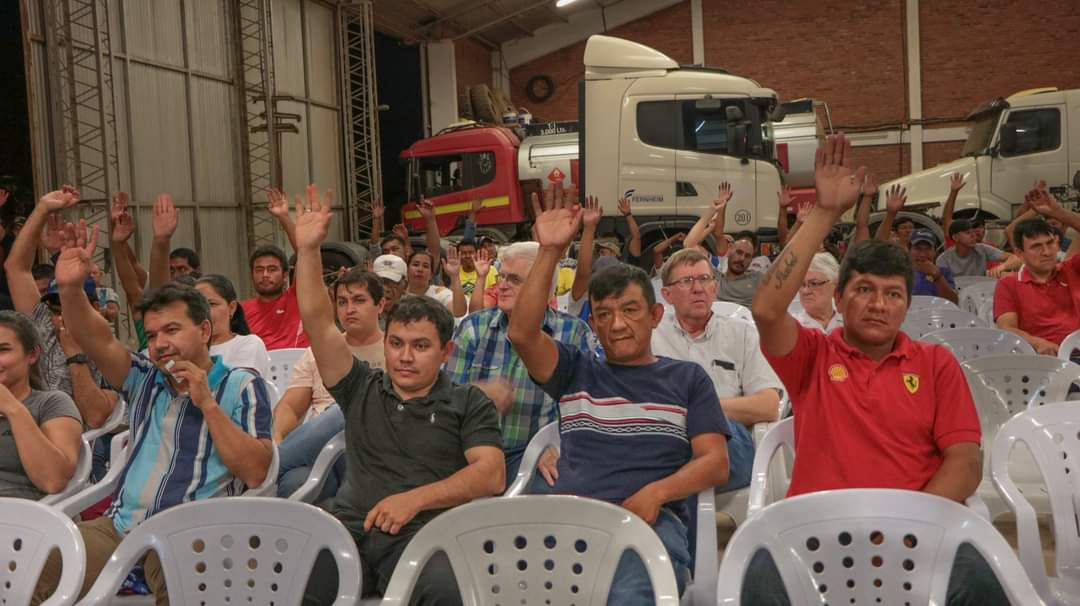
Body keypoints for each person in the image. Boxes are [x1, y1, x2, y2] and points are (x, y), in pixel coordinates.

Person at [745, 134, 998, 606]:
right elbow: (765, 310)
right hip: (816, 533)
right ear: (840, 299)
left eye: (892, 294)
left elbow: (965, 462)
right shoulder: (813, 357)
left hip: (919, 526)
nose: (878, 305)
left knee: (984, 581)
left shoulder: (936, 363)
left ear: (908, 304)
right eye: (863, 290)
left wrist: (907, 526)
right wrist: (823, 212)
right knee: (757, 579)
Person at [35, 220, 273, 605]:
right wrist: (70, 288)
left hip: (193, 531)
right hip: (119, 525)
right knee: (34, 564)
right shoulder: (144, 377)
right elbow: (94, 337)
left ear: (205, 331)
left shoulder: (241, 385)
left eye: (173, 330)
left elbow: (256, 471)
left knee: (185, 589)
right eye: (154, 334)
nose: (161, 344)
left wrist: (207, 404)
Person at [507, 200, 731, 604]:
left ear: (655, 315)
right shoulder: (575, 370)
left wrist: (658, 493)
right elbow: (523, 334)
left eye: (630, 310)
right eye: (605, 314)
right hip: (567, 522)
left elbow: (715, 461)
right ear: (593, 324)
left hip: (646, 525)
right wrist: (549, 252)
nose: (618, 324)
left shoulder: (686, 379)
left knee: (630, 596)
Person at [289, 187, 503, 605]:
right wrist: (309, 250)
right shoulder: (360, 386)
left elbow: (490, 474)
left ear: (446, 352)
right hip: (348, 529)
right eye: (397, 343)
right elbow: (317, 320)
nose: (405, 357)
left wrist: (415, 500)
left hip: (424, 535)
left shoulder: (467, 402)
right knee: (296, 583)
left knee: (446, 592)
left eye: (420, 346)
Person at [446, 241, 595, 481]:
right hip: (472, 453)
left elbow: (585, 408)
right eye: (502, 277)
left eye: (514, 280)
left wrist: (556, 444)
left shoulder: (573, 333)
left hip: (538, 456)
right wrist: (477, 394)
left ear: (543, 287)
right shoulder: (474, 327)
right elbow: (443, 399)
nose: (502, 286)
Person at [652, 248, 781, 492]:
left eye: (704, 279)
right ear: (667, 295)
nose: (698, 288)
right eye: (687, 281)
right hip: (666, 440)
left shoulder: (743, 333)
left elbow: (769, 405)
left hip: (727, 444)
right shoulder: (651, 336)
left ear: (715, 288)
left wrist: (701, 408)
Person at [3, 188, 119, 430]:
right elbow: (16, 268)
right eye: (55, 308)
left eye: (70, 306)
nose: (60, 317)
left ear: (95, 308)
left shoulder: (109, 350)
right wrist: (42, 209)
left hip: (76, 446)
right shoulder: (43, 326)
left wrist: (74, 355)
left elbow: (95, 417)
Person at [273, 268, 386, 500]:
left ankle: (269, 466)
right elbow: (290, 407)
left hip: (369, 450)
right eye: (342, 302)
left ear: (381, 305)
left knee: (346, 408)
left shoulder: (395, 350)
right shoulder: (317, 353)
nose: (349, 309)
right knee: (295, 481)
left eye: (359, 300)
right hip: (316, 451)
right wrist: (277, 436)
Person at [0, 311, 83, 499]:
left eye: (2, 349)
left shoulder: (51, 403)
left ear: (32, 355)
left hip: (25, 517)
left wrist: (12, 409)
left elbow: (53, 480)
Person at [995, 186, 1080, 357]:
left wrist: (1058, 212)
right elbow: (1007, 327)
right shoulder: (1009, 284)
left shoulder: (1070, 269)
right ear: (1019, 253)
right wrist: (1037, 342)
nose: (1047, 252)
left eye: (1050, 243)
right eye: (1036, 246)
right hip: (1041, 361)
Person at [195, 274, 271, 377]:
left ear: (232, 307)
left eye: (212, 304)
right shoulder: (189, 349)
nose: (204, 312)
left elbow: (236, 387)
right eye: (198, 306)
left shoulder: (250, 343)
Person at [937, 218, 1020, 278]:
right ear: (955, 238)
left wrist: (1002, 267)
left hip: (980, 293)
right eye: (967, 233)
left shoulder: (982, 249)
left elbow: (1015, 258)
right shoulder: (944, 260)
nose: (973, 235)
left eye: (973, 232)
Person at [404, 249, 466, 317]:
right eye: (415, 265)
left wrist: (455, 276)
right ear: (407, 270)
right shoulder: (398, 294)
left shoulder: (440, 293)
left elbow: (459, 312)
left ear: (431, 275)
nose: (420, 269)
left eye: (425, 266)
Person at [792, 252, 843, 332]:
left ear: (834, 284)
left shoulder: (849, 323)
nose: (805, 291)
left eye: (814, 283)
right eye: (802, 284)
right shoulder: (793, 328)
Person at [715, 233, 764, 306]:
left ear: (751, 260)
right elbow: (692, 246)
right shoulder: (714, 277)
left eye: (747, 256)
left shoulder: (757, 278)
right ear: (729, 252)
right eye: (739, 252)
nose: (742, 259)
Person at [909, 229, 958, 303]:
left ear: (935, 252)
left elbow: (953, 303)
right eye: (917, 249)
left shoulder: (944, 272)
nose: (923, 254)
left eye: (928, 249)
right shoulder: (901, 273)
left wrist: (938, 277)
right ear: (909, 250)